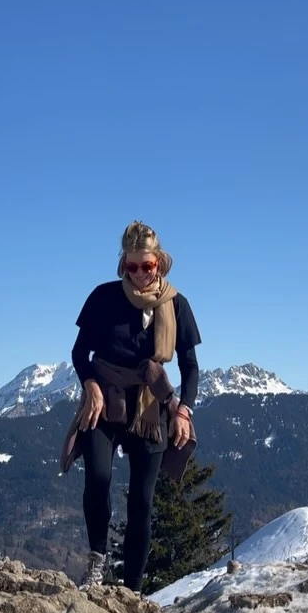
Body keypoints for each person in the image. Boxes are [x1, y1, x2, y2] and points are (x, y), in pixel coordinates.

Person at [68, 220, 201, 593]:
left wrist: (183, 409)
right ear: (122, 264)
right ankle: (96, 563)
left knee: (142, 500)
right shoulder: (103, 298)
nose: (140, 273)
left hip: (150, 407)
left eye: (147, 266)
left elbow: (190, 367)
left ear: (159, 262)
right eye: (132, 266)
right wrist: (90, 385)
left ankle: (133, 590)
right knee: (98, 477)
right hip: (105, 399)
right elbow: (80, 353)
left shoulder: (177, 305)